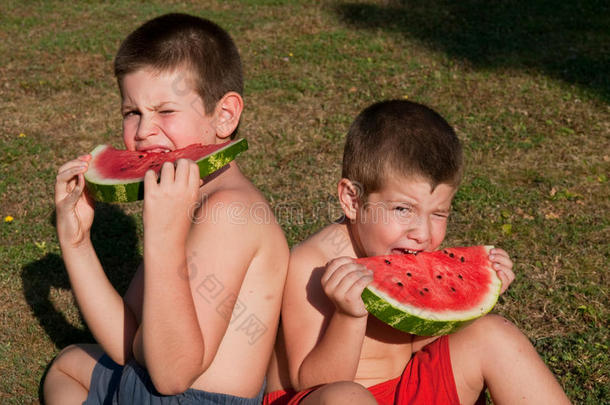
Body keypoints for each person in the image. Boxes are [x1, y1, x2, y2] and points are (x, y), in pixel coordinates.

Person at [44, 13, 289, 404]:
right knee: (68, 364)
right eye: (132, 112)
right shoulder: (182, 197)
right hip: (146, 385)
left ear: (224, 115)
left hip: (184, 396)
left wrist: (162, 238)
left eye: (165, 111)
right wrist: (76, 242)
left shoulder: (230, 212)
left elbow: (172, 375)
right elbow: (129, 344)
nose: (142, 131)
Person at [264, 100, 571, 404]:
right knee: (347, 396)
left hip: (406, 388)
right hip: (326, 396)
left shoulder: (406, 253)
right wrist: (348, 317)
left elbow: (416, 345)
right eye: (402, 209)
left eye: (439, 214)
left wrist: (469, 302)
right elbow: (308, 380)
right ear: (352, 200)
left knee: (494, 334)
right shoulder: (313, 264)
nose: (423, 234)